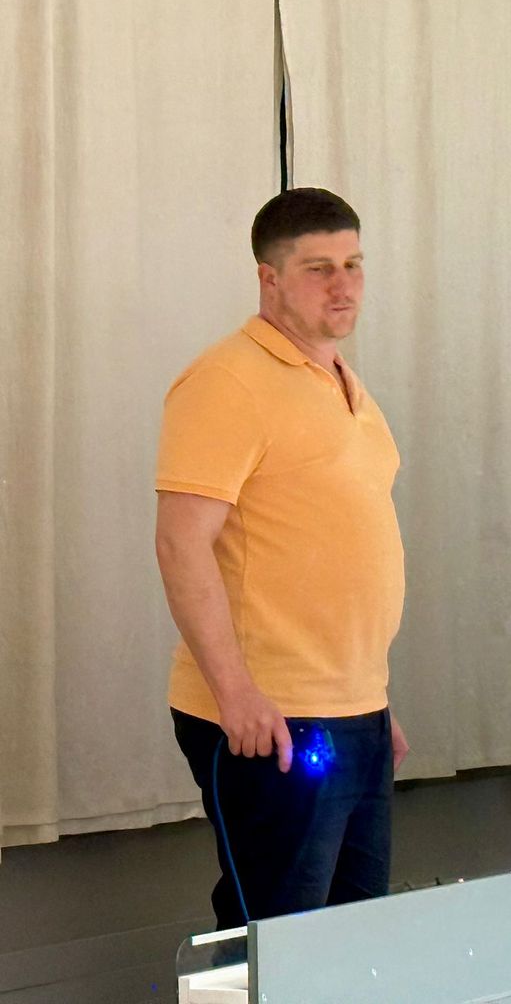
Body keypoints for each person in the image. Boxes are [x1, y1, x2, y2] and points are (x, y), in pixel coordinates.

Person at [156, 188, 408, 928]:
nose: (344, 285)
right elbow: (180, 542)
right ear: (269, 279)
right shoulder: (228, 380)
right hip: (272, 715)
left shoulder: (345, 383)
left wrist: (372, 701)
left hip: (354, 708)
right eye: (319, 269)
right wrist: (235, 693)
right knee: (275, 941)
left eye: (354, 265)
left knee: (352, 934)